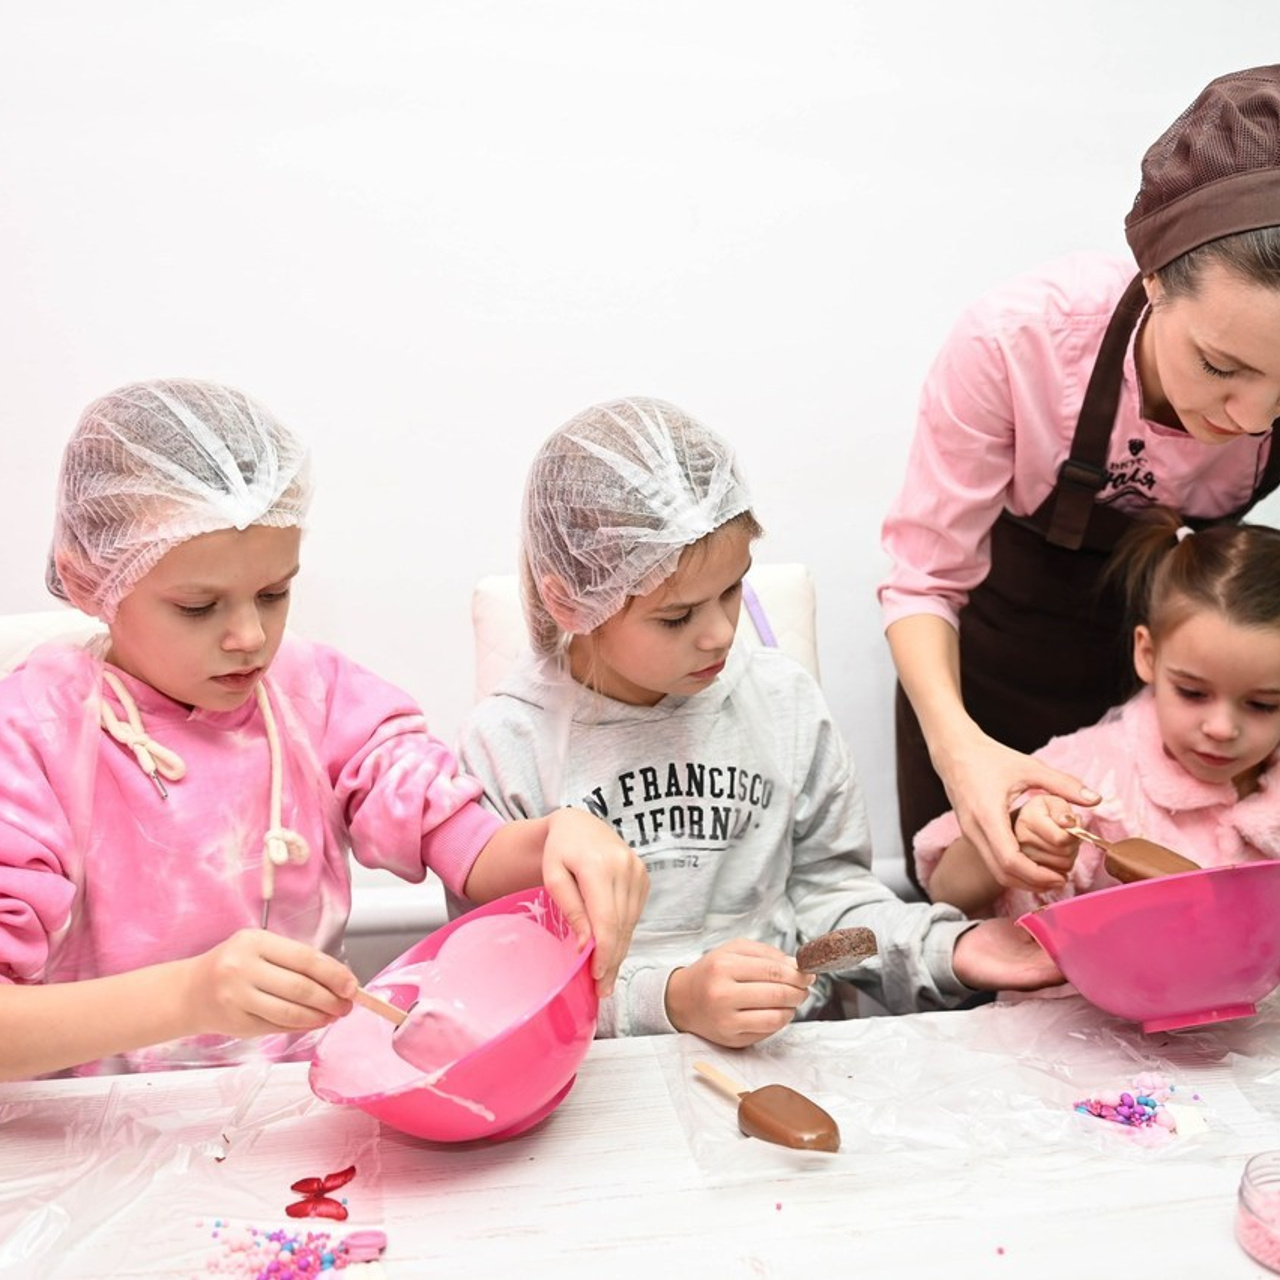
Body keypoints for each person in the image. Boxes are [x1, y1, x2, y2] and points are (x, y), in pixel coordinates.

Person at [0, 378, 648, 1080]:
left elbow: (461, 840)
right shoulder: (32, 740)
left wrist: (553, 839)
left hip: (300, 1103)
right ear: (89, 579)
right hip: (97, 1125)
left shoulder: (315, 697)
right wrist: (187, 997)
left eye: (273, 594)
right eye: (197, 607)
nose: (250, 637)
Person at [457, 397, 1061, 1050]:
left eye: (732, 589)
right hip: (607, 1083)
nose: (720, 633)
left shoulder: (780, 702)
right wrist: (674, 999)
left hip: (789, 1059)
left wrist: (948, 949)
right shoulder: (508, 746)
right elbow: (510, 982)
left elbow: (830, 909)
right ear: (571, 600)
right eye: (676, 617)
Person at [880, 64, 1280, 898]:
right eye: (1220, 367)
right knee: (972, 921)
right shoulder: (1020, 341)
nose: (1251, 419)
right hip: (991, 679)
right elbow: (922, 580)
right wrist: (962, 753)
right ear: (1154, 275)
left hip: (1176, 697)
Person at [915, 508, 1280, 918]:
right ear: (1147, 654)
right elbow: (945, 890)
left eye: (1262, 704)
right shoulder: (1083, 781)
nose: (1222, 728)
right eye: (1193, 693)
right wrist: (1017, 834)